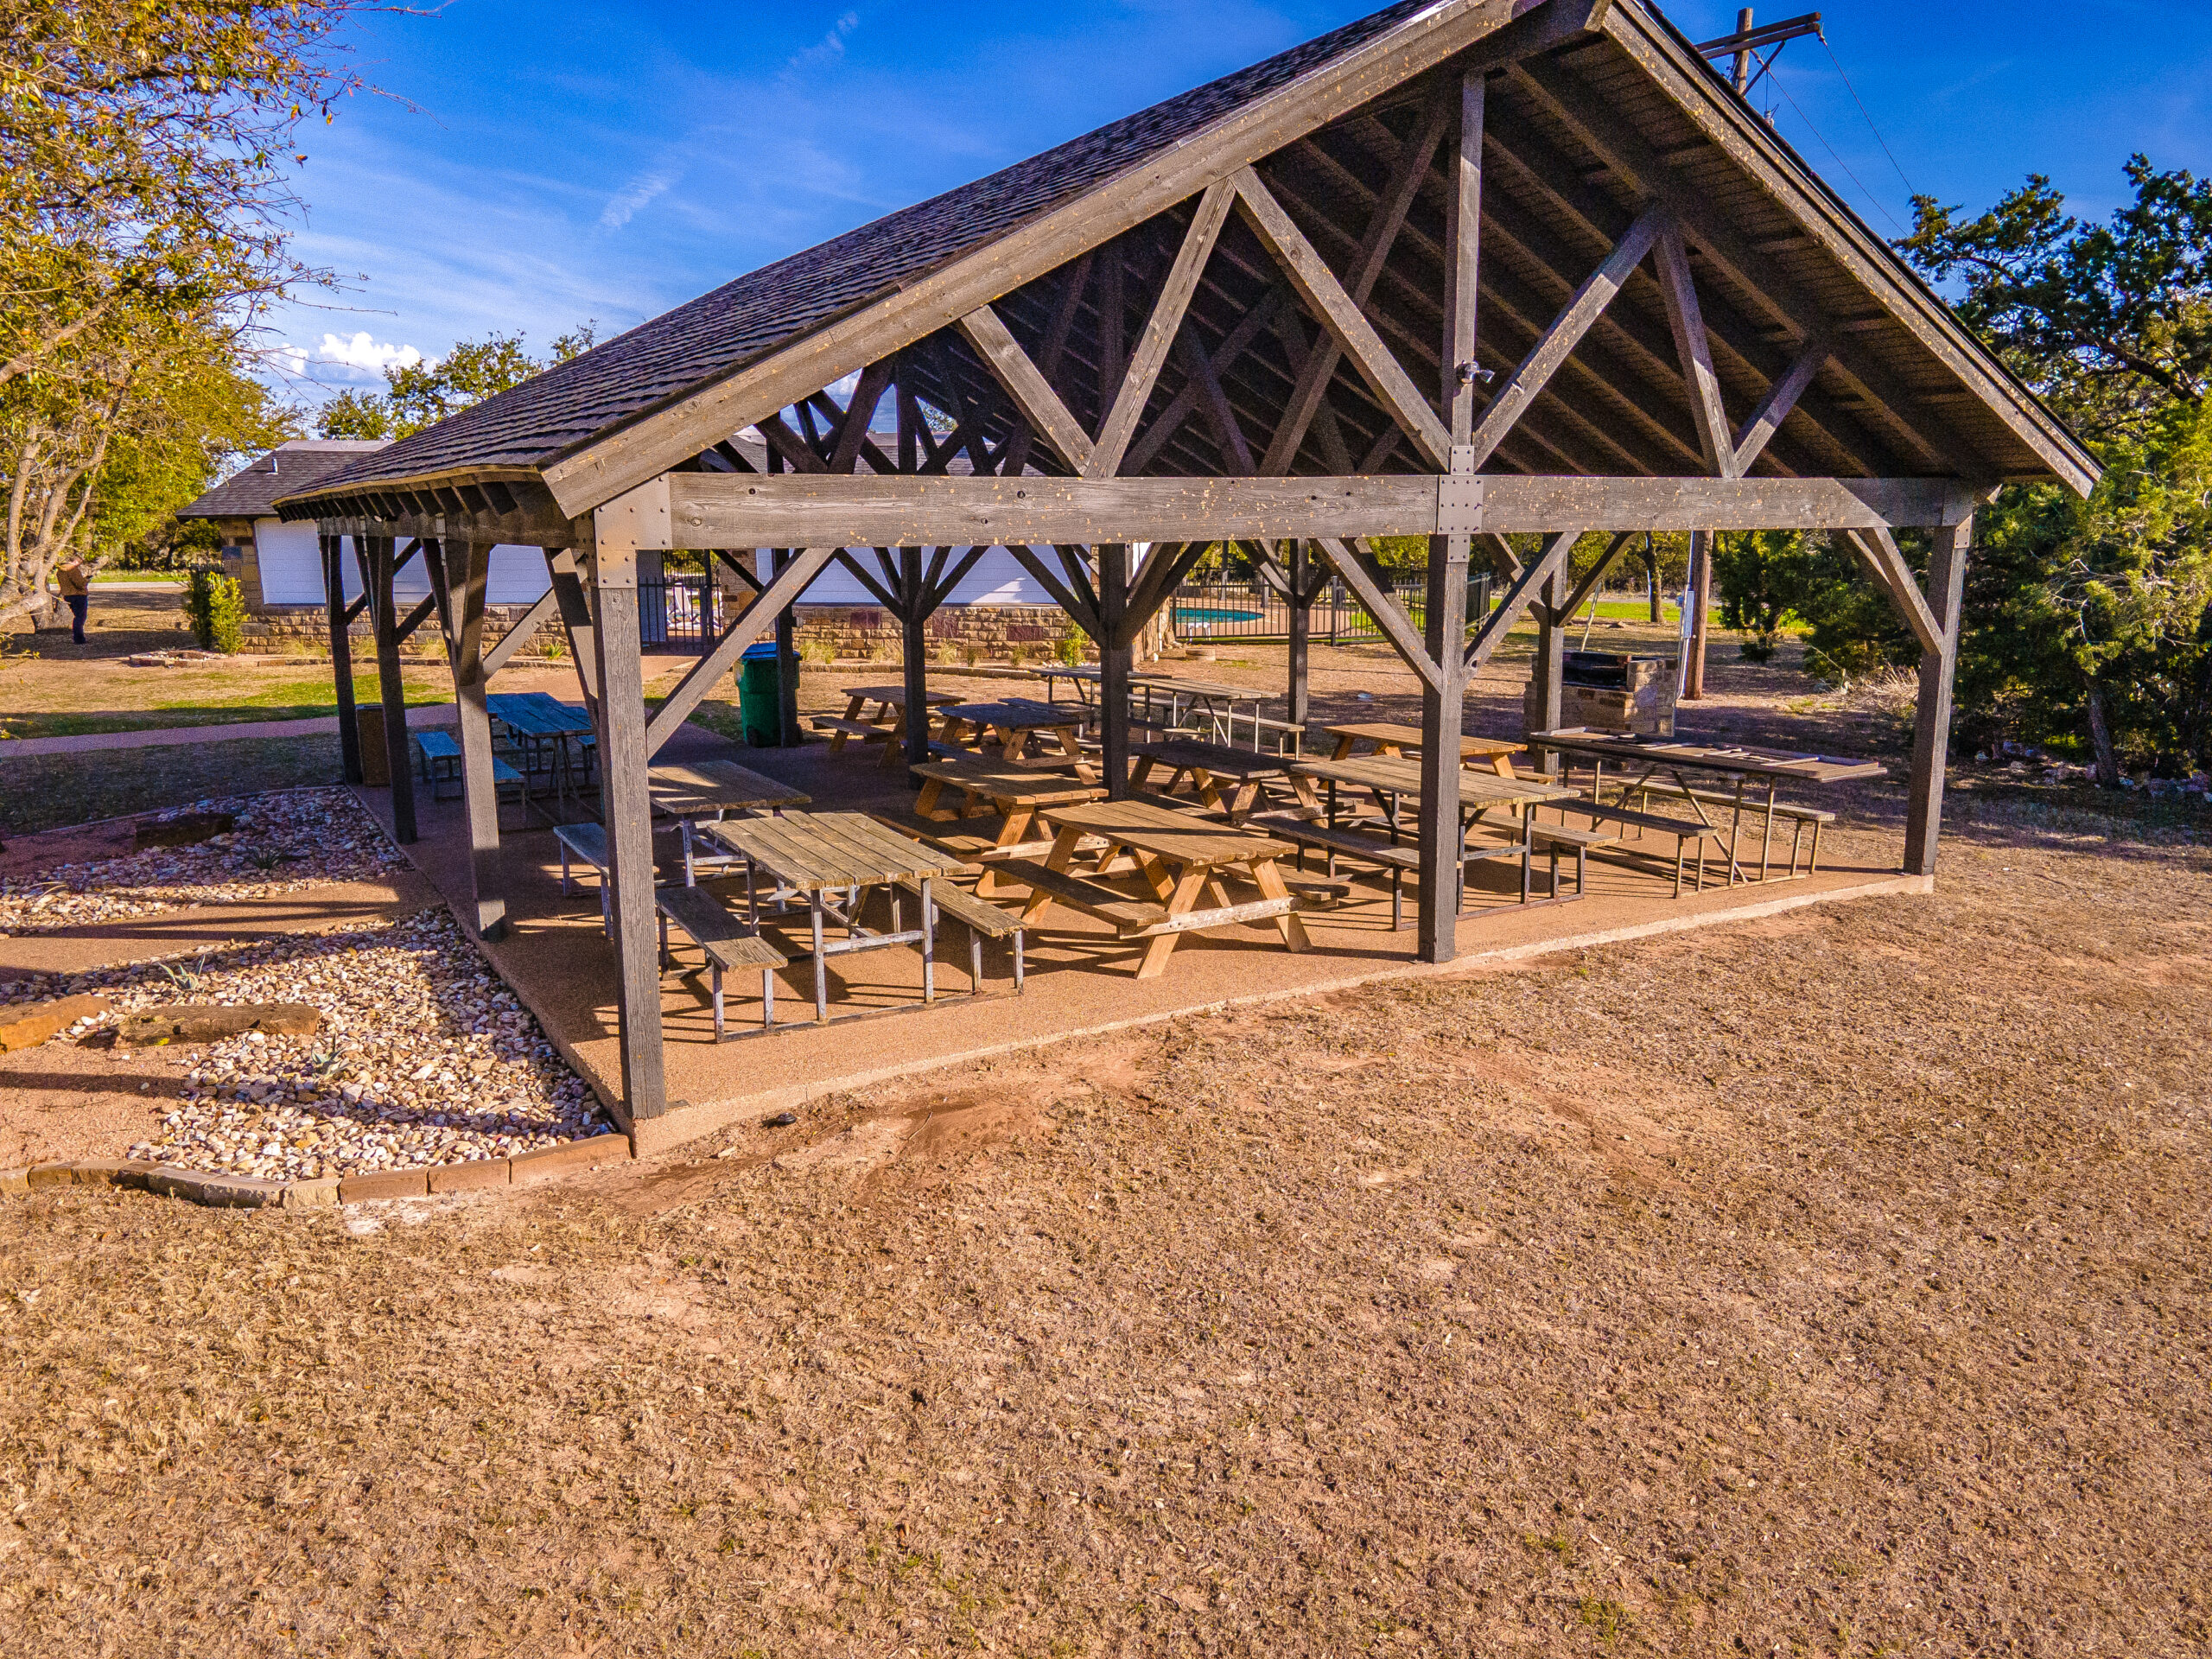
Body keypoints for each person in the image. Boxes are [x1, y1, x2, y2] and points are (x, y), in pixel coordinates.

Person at [54, 556, 89, 644]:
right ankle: (79, 638)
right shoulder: (73, 570)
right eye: (79, 563)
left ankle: (78, 637)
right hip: (78, 595)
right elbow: (80, 584)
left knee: (77, 615)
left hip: (68, 595)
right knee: (80, 617)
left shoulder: (60, 571)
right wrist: (86, 580)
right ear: (76, 562)